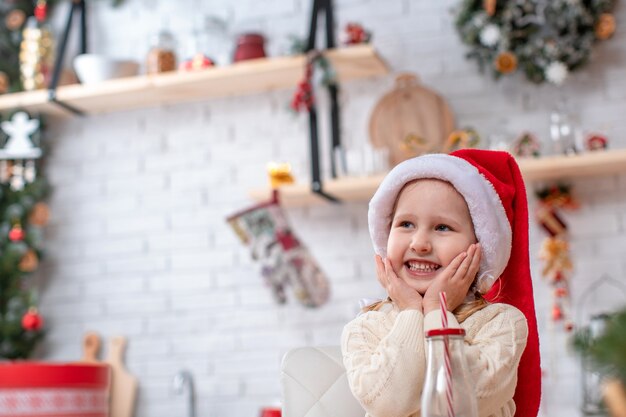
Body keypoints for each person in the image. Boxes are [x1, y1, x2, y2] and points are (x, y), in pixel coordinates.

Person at [341, 149, 541, 417]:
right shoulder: (366, 328)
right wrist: (412, 311)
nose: (420, 243)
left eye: (442, 228)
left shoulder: (502, 322)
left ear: (480, 247)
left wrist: (437, 309)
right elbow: (388, 403)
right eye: (406, 224)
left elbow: (459, 403)